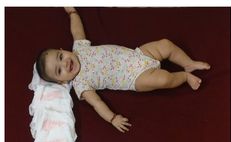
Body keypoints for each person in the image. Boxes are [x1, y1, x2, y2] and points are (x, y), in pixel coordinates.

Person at [36, 7, 210, 133]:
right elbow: (97, 104)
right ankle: (184, 76)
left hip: (138, 54)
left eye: (60, 57)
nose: (65, 64)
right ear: (63, 81)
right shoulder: (81, 84)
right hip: (135, 78)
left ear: (62, 50)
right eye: (59, 71)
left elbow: (76, 31)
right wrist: (112, 118)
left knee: (165, 44)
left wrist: (72, 12)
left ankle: (188, 63)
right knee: (163, 80)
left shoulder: (79, 49)